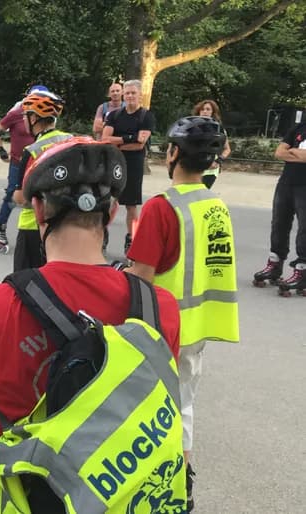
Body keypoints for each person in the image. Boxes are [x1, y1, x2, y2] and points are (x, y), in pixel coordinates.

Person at [0, 139, 182, 513]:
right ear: (110, 215)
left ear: (39, 210)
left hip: (25, 495)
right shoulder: (161, 309)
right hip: (123, 495)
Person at [127, 116, 239, 511]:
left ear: (173, 153)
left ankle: (151, 483)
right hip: (203, 324)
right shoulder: (216, 205)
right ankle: (182, 480)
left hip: (164, 326)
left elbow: (141, 275)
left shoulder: (162, 207)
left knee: (148, 409)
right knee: (183, 404)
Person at [10, 91, 72, 271]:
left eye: (25, 116)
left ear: (35, 118)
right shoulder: (70, 140)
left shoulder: (33, 150)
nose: (23, 120)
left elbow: (21, 198)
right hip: (65, 224)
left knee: (25, 283)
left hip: (33, 227)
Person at [0, 85, 49, 253]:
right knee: (12, 195)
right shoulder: (17, 114)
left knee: (40, 197)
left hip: (38, 162)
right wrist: (1, 150)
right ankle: (0, 228)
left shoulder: (45, 116)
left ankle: (42, 233)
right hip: (18, 162)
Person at [252, 111, 306, 291]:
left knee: (304, 230)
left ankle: (302, 270)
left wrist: (293, 152)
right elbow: (279, 152)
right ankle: (275, 264)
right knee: (279, 225)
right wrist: (298, 154)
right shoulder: (298, 128)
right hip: (286, 183)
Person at [101, 79, 155, 254]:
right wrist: (129, 138)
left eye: (133, 93)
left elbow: (141, 144)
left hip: (134, 164)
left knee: (131, 206)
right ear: (123, 95)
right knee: (108, 201)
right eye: (127, 93)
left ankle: (133, 240)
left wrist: (118, 141)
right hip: (114, 163)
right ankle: (101, 234)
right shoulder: (114, 116)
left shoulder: (146, 116)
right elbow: (105, 139)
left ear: (140, 95)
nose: (130, 96)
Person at [191, 100, 232, 189]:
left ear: (213, 112)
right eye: (202, 109)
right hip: (194, 166)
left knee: (200, 194)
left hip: (210, 169)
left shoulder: (219, 129)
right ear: (198, 112)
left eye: (208, 109)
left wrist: (218, 161)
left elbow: (227, 149)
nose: (205, 111)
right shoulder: (192, 127)